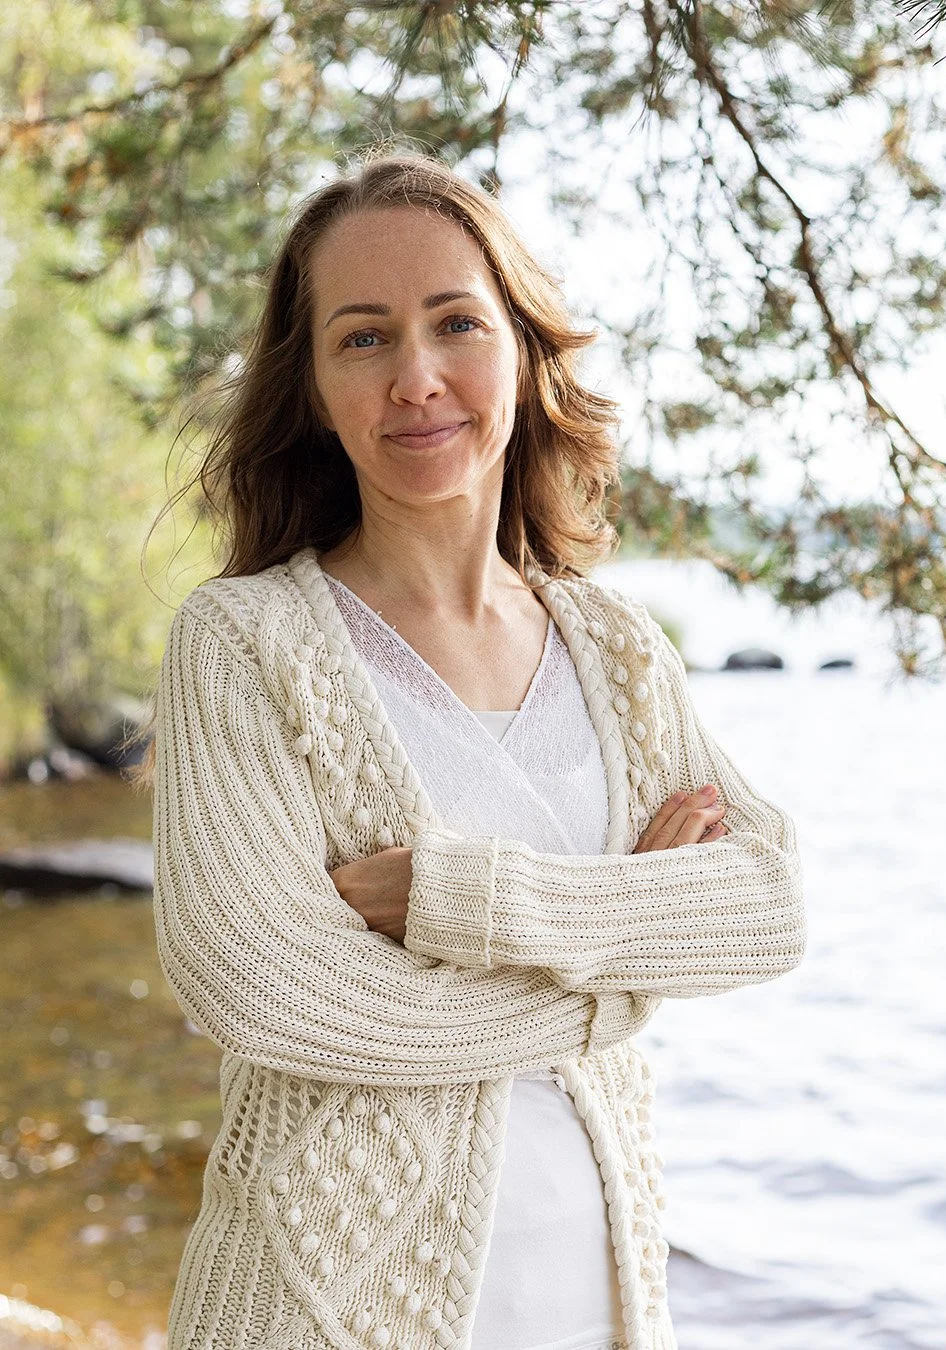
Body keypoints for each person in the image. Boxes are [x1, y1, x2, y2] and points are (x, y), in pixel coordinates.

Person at [150, 150, 806, 1350]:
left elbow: (766, 903)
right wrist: (621, 966)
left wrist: (469, 897)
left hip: (599, 1303)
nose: (417, 379)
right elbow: (264, 987)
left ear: (521, 349)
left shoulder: (615, 646)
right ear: (310, 385)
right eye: (363, 337)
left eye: (457, 322)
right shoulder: (244, 644)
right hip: (319, 1313)